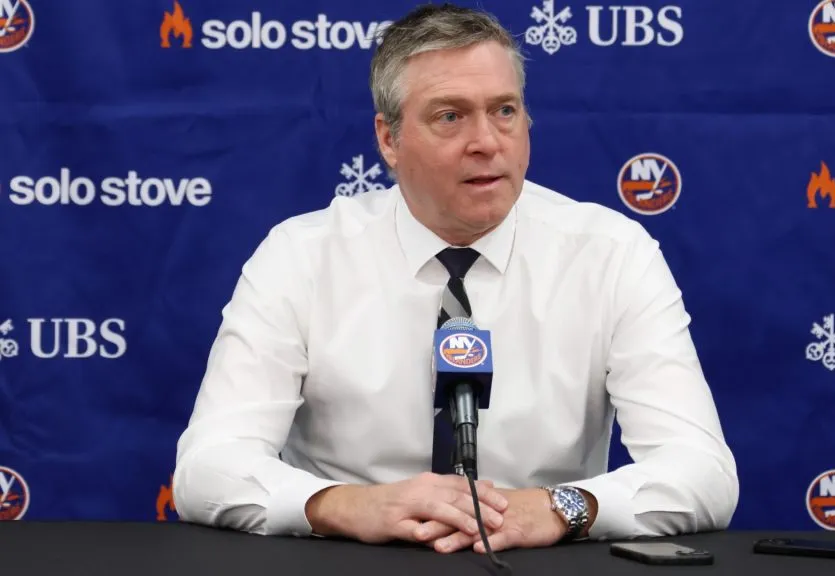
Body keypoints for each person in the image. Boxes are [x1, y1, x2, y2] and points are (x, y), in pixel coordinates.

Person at [172, 3, 738, 555]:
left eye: (505, 111)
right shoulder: (301, 256)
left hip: (539, 562)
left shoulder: (611, 254)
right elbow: (208, 466)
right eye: (450, 116)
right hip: (349, 560)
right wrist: (348, 505)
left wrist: (558, 507)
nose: (487, 141)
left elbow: (703, 472)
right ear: (388, 140)